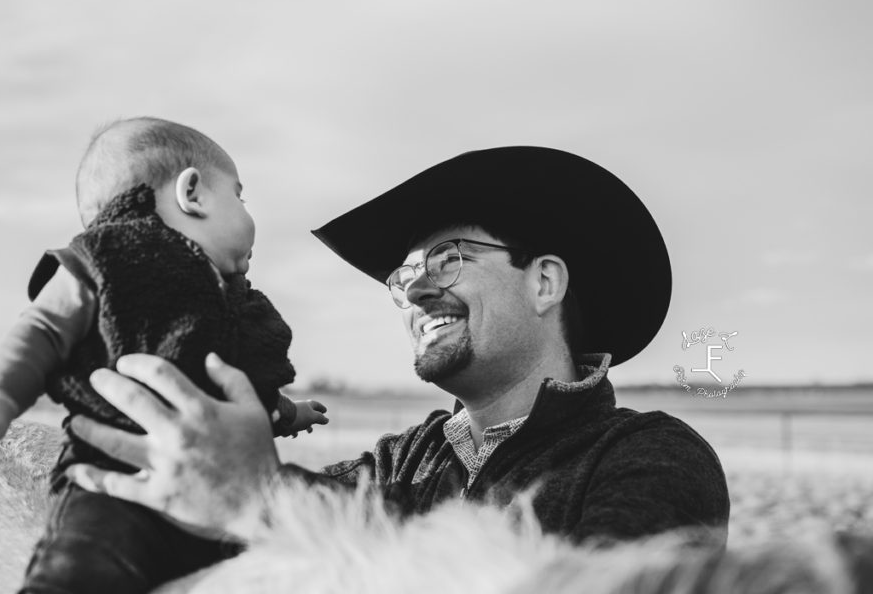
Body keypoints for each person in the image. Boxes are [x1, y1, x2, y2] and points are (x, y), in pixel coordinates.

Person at [64, 147, 730, 556]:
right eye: (402, 276)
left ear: (544, 281)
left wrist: (266, 496)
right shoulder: (399, 462)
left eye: (448, 259)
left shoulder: (650, 456)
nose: (415, 289)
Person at [0, 117, 328, 594]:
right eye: (239, 196)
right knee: (81, 572)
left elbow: (243, 395)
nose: (248, 214)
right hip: (117, 485)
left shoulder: (230, 302)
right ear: (192, 192)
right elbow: (43, 329)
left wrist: (292, 412)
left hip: (220, 500)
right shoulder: (109, 258)